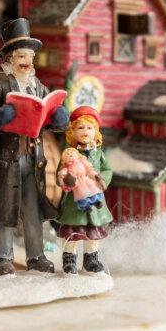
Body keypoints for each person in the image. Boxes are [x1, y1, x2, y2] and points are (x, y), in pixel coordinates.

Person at [0, 18, 68, 276]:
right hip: (8, 159)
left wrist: (57, 118)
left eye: (30, 56)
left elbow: (47, 118)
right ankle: (2, 257)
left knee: (33, 211)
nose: (27, 61)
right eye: (21, 56)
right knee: (6, 210)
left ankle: (36, 255)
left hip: (34, 159)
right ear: (10, 60)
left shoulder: (40, 87)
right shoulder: (0, 87)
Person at [55, 107, 112, 274]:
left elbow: (107, 170)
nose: (85, 132)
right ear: (73, 132)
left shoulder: (98, 154)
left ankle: (91, 259)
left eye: (89, 128)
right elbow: (60, 173)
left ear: (96, 132)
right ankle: (69, 260)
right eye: (80, 128)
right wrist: (65, 180)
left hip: (94, 201)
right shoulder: (69, 154)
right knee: (73, 233)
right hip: (74, 204)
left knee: (92, 233)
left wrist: (102, 179)